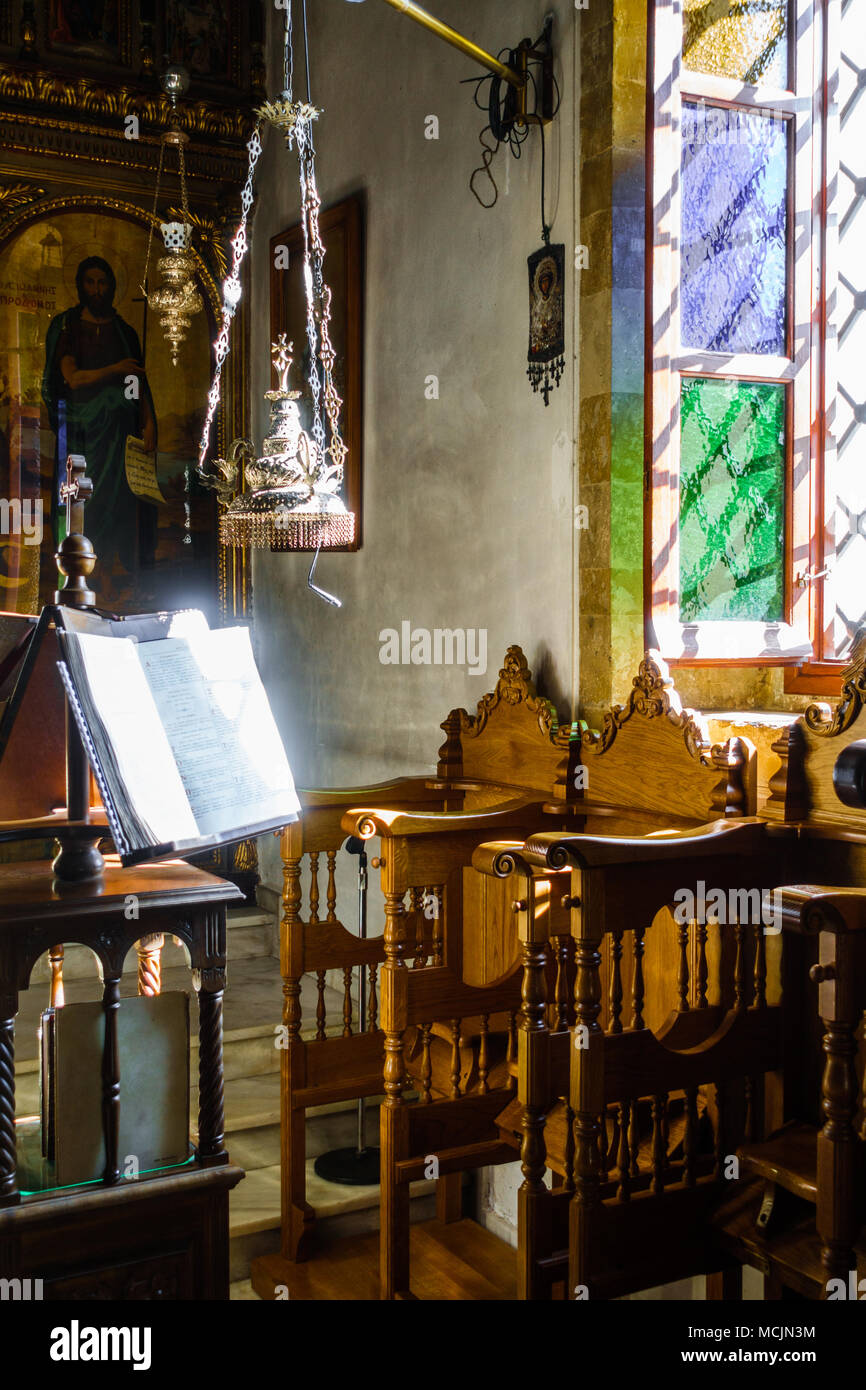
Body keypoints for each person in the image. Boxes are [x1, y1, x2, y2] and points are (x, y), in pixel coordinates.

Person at [42, 255, 157, 573]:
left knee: (117, 501)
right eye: (90, 282)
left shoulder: (124, 332)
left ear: (112, 287)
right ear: (80, 286)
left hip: (118, 439)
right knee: (85, 499)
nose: (96, 289)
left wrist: (148, 422)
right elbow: (72, 379)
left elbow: (137, 383)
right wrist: (115, 370)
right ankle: (78, 562)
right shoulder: (68, 326)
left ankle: (117, 568)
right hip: (82, 432)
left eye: (102, 283)